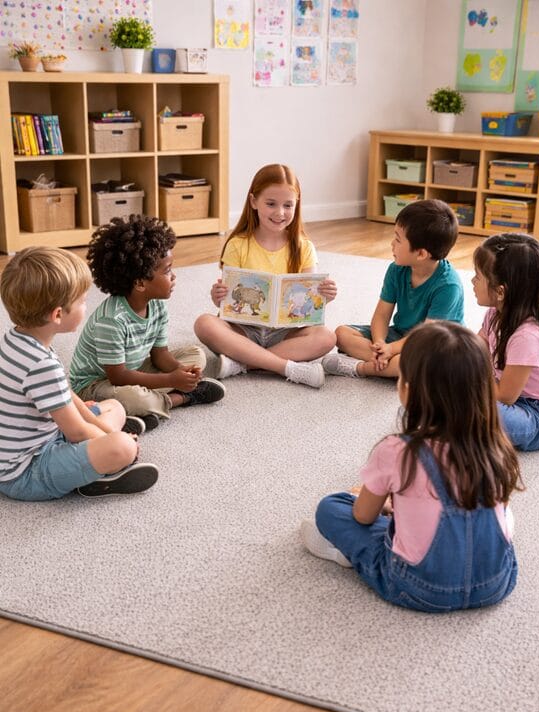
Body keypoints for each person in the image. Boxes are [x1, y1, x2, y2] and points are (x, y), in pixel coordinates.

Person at [301, 322, 521, 613]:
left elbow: (363, 516)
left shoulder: (397, 451)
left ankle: (351, 556)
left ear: (407, 389)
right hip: (496, 583)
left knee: (331, 507)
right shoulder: (496, 443)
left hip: (419, 587)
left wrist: (384, 503)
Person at [0, 246, 159, 500]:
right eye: (82, 301)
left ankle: (105, 443)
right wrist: (116, 440)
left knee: (114, 407)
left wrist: (102, 429)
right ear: (58, 315)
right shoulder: (41, 364)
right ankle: (99, 476)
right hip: (26, 472)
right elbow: (77, 433)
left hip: (46, 436)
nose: (86, 306)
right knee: (122, 448)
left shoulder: (17, 339)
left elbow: (65, 393)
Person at [70, 215, 225, 431]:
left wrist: (182, 371)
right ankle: (178, 400)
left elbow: (160, 355)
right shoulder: (111, 320)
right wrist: (172, 379)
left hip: (132, 369)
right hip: (96, 384)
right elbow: (119, 376)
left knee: (196, 355)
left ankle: (140, 413)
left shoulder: (157, 305)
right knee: (136, 398)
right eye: (167, 270)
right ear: (141, 283)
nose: (174, 276)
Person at [194, 164, 337, 389]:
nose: (280, 213)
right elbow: (228, 303)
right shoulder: (238, 245)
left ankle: (242, 364)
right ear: (254, 202)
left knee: (328, 337)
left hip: (286, 332)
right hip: (244, 329)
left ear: (296, 204)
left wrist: (324, 296)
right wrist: (218, 296)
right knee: (204, 324)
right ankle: (287, 368)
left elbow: (310, 305)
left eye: (288, 205)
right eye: (271, 204)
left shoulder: (304, 247)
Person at [323, 199, 464, 379]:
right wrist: (381, 343)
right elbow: (382, 314)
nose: (391, 244)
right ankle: (384, 362)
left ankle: (362, 368)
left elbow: (424, 338)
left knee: (412, 361)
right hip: (399, 336)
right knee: (342, 334)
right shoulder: (396, 269)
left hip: (433, 345)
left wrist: (390, 350)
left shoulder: (448, 286)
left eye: (398, 239)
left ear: (421, 254)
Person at [472, 233, 539, 452]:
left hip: (537, 416)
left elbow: (505, 396)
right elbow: (477, 346)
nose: (472, 281)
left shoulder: (527, 336)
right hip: (501, 394)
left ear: (500, 291)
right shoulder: (494, 313)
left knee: (474, 408)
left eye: (477, 276)